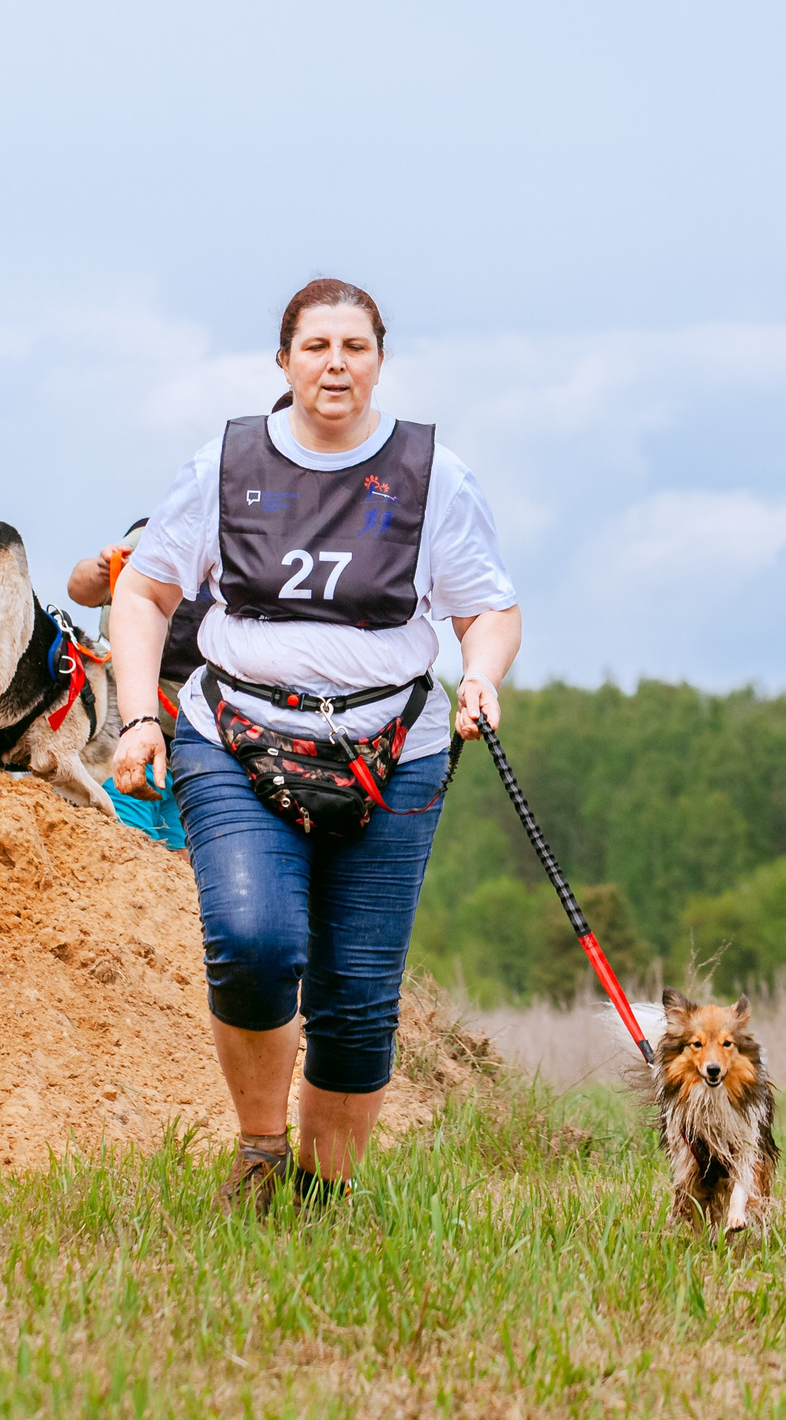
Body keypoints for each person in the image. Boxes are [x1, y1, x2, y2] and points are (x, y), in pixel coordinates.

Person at [108, 278, 522, 1211]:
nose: (337, 364)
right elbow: (143, 590)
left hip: (393, 747)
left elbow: (488, 606)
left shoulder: (433, 475)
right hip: (237, 735)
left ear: (379, 359)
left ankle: (321, 1202)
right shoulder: (225, 461)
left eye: (356, 347)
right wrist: (141, 715)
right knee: (255, 940)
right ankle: (259, 1154)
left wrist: (483, 672)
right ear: (284, 359)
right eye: (317, 346)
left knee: (359, 994)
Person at [66, 519, 210, 851]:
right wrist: (103, 569)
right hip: (124, 745)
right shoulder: (164, 534)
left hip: (190, 760)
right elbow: (79, 586)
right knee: (125, 853)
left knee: (180, 872)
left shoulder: (257, 559)